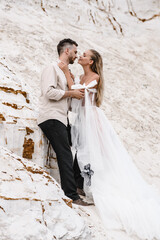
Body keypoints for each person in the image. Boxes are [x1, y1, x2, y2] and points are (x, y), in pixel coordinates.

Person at [59, 49, 160, 239]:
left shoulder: (95, 77)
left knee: (94, 152)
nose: (80, 56)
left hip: (92, 120)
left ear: (91, 61)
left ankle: (88, 184)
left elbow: (79, 93)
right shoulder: (81, 75)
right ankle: (80, 183)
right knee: (81, 153)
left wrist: (66, 74)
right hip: (82, 120)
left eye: (84, 55)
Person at [37, 38, 92, 206]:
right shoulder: (51, 68)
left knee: (81, 145)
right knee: (66, 155)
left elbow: (67, 103)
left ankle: (78, 185)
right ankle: (72, 195)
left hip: (61, 118)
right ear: (66, 51)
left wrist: (70, 89)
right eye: (75, 52)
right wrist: (70, 94)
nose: (76, 55)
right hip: (51, 117)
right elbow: (49, 93)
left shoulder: (64, 71)